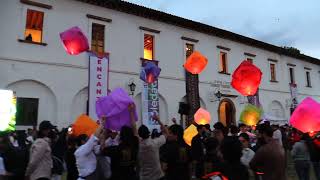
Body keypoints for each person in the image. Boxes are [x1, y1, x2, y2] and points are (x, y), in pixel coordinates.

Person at [138, 115, 168, 180]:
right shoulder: (155, 143)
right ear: (148, 132)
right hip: (158, 176)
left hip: (144, 177)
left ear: (139, 135)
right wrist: (158, 120)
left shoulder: (139, 146)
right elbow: (166, 133)